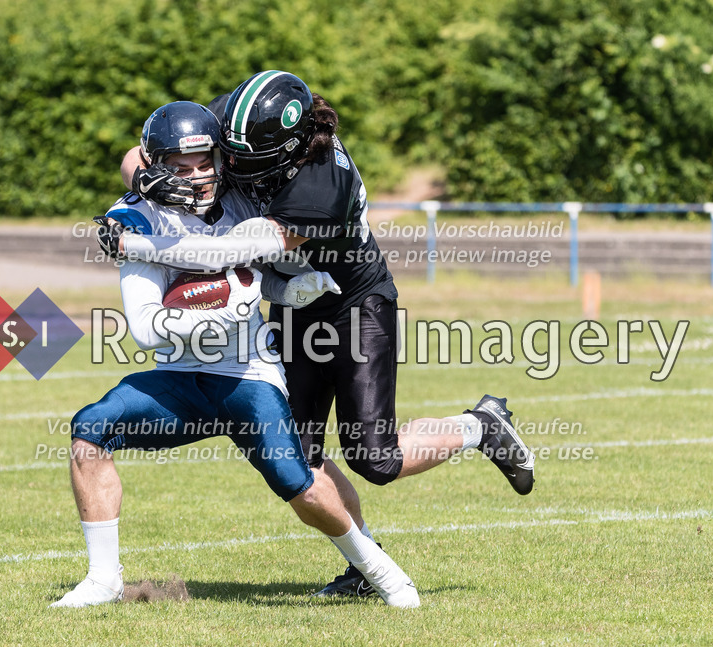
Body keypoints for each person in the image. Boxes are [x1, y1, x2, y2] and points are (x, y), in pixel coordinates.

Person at [98, 71, 535, 598]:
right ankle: (367, 567)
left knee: (374, 459)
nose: (226, 168)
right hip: (291, 298)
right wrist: (144, 183)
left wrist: (137, 245)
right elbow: (143, 152)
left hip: (353, 304)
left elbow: (227, 251)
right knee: (299, 453)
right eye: (225, 153)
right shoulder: (245, 112)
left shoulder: (321, 183)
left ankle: (479, 426)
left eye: (244, 159)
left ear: (287, 150)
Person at [52, 101, 419, 609]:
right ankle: (102, 579)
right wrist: (222, 312)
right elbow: (146, 330)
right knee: (89, 429)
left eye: (206, 162)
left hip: (249, 374)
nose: (198, 176)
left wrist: (287, 291)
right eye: (181, 168)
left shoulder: (245, 201)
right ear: (155, 166)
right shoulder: (132, 217)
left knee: (300, 482)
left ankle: (380, 570)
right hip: (182, 377)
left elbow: (249, 267)